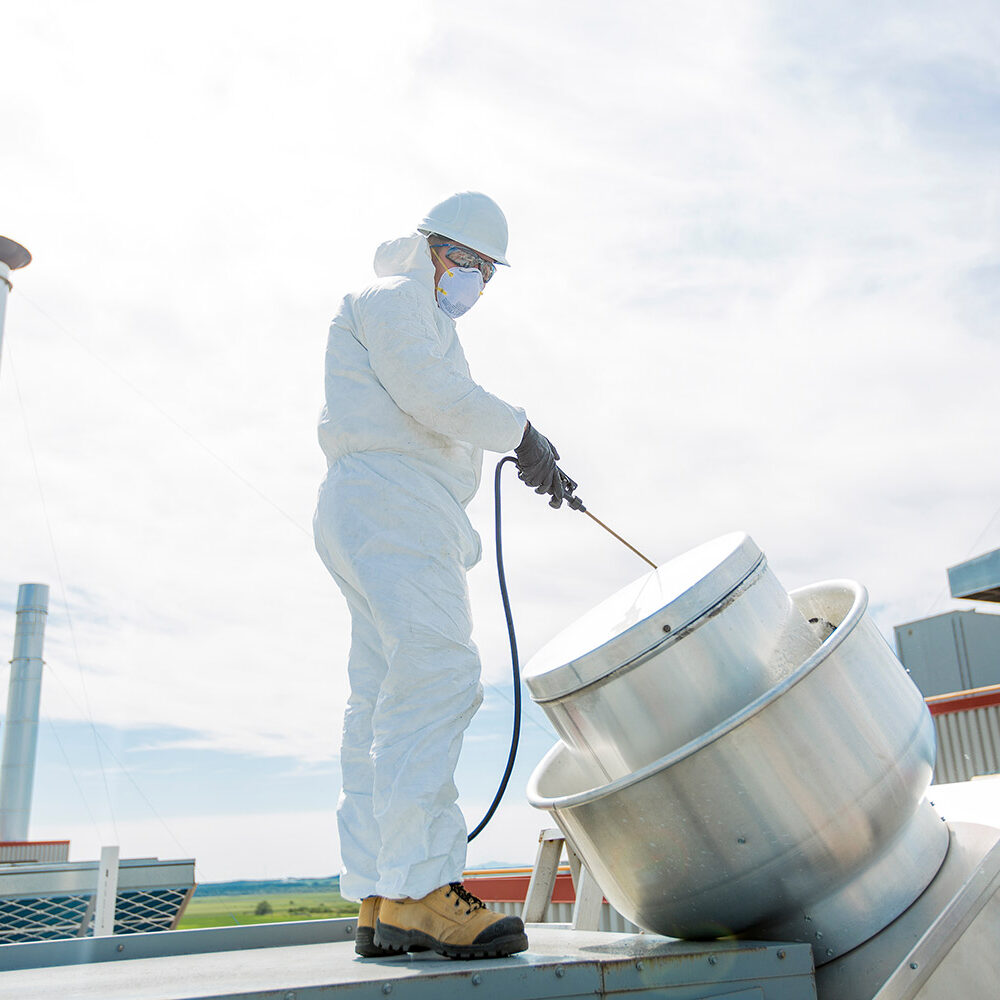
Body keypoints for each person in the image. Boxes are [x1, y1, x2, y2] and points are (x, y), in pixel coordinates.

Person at [313, 192, 566, 960]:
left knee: (383, 692)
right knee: (439, 676)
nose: (473, 280)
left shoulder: (414, 312)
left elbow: (437, 395)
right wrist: (521, 434)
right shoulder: (395, 299)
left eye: (486, 271)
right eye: (465, 261)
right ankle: (424, 889)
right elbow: (430, 395)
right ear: (430, 248)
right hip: (395, 499)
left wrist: (514, 442)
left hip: (373, 503)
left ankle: (382, 895)